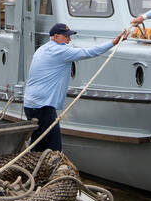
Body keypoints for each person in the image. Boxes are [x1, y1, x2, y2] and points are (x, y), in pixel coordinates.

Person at [22, 22, 126, 152]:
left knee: (38, 144)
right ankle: (45, 169)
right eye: (66, 36)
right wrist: (114, 42)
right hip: (43, 106)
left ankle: (32, 168)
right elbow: (90, 52)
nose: (69, 39)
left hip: (30, 104)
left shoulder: (42, 49)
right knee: (54, 149)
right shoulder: (60, 50)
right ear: (55, 36)